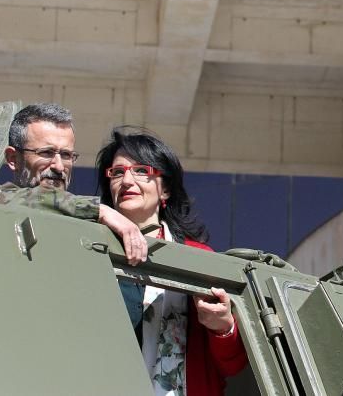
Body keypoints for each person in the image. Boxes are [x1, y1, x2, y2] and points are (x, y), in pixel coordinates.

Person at [96, 127, 247, 396]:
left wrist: (222, 327)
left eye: (141, 171)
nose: (127, 181)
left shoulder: (198, 257)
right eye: (117, 172)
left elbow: (232, 365)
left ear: (165, 189)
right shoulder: (90, 249)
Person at [0, 103, 147, 265]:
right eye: (46, 153)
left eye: (66, 155)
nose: (59, 166)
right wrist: (100, 210)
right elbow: (14, 199)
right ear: (13, 159)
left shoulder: (91, 226)